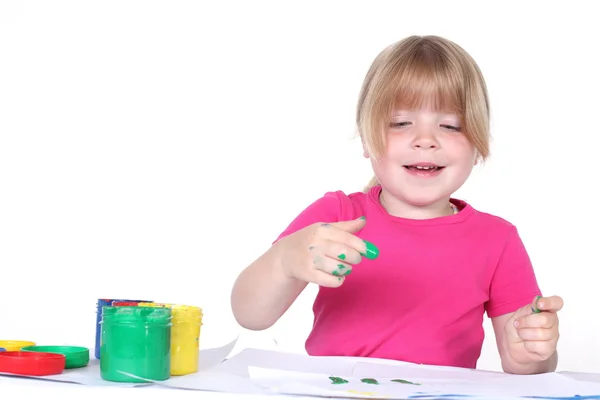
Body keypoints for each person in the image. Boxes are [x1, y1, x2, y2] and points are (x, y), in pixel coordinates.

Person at [230, 35, 563, 374]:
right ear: (366, 139)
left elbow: (526, 369)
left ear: (477, 145)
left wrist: (532, 351)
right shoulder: (336, 217)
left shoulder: (497, 239)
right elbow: (250, 315)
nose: (425, 140)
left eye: (450, 125)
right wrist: (285, 260)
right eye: (401, 123)